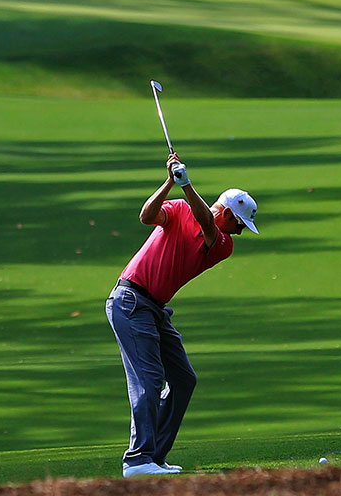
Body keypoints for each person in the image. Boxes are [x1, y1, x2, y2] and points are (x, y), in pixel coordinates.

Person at [106, 151, 260, 477]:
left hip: (154, 309)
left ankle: (155, 457)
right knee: (148, 379)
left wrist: (186, 184)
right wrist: (169, 183)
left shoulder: (222, 244)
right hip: (130, 302)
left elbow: (206, 225)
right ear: (228, 214)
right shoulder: (177, 209)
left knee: (183, 379)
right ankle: (138, 460)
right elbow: (146, 217)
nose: (242, 232)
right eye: (240, 223)